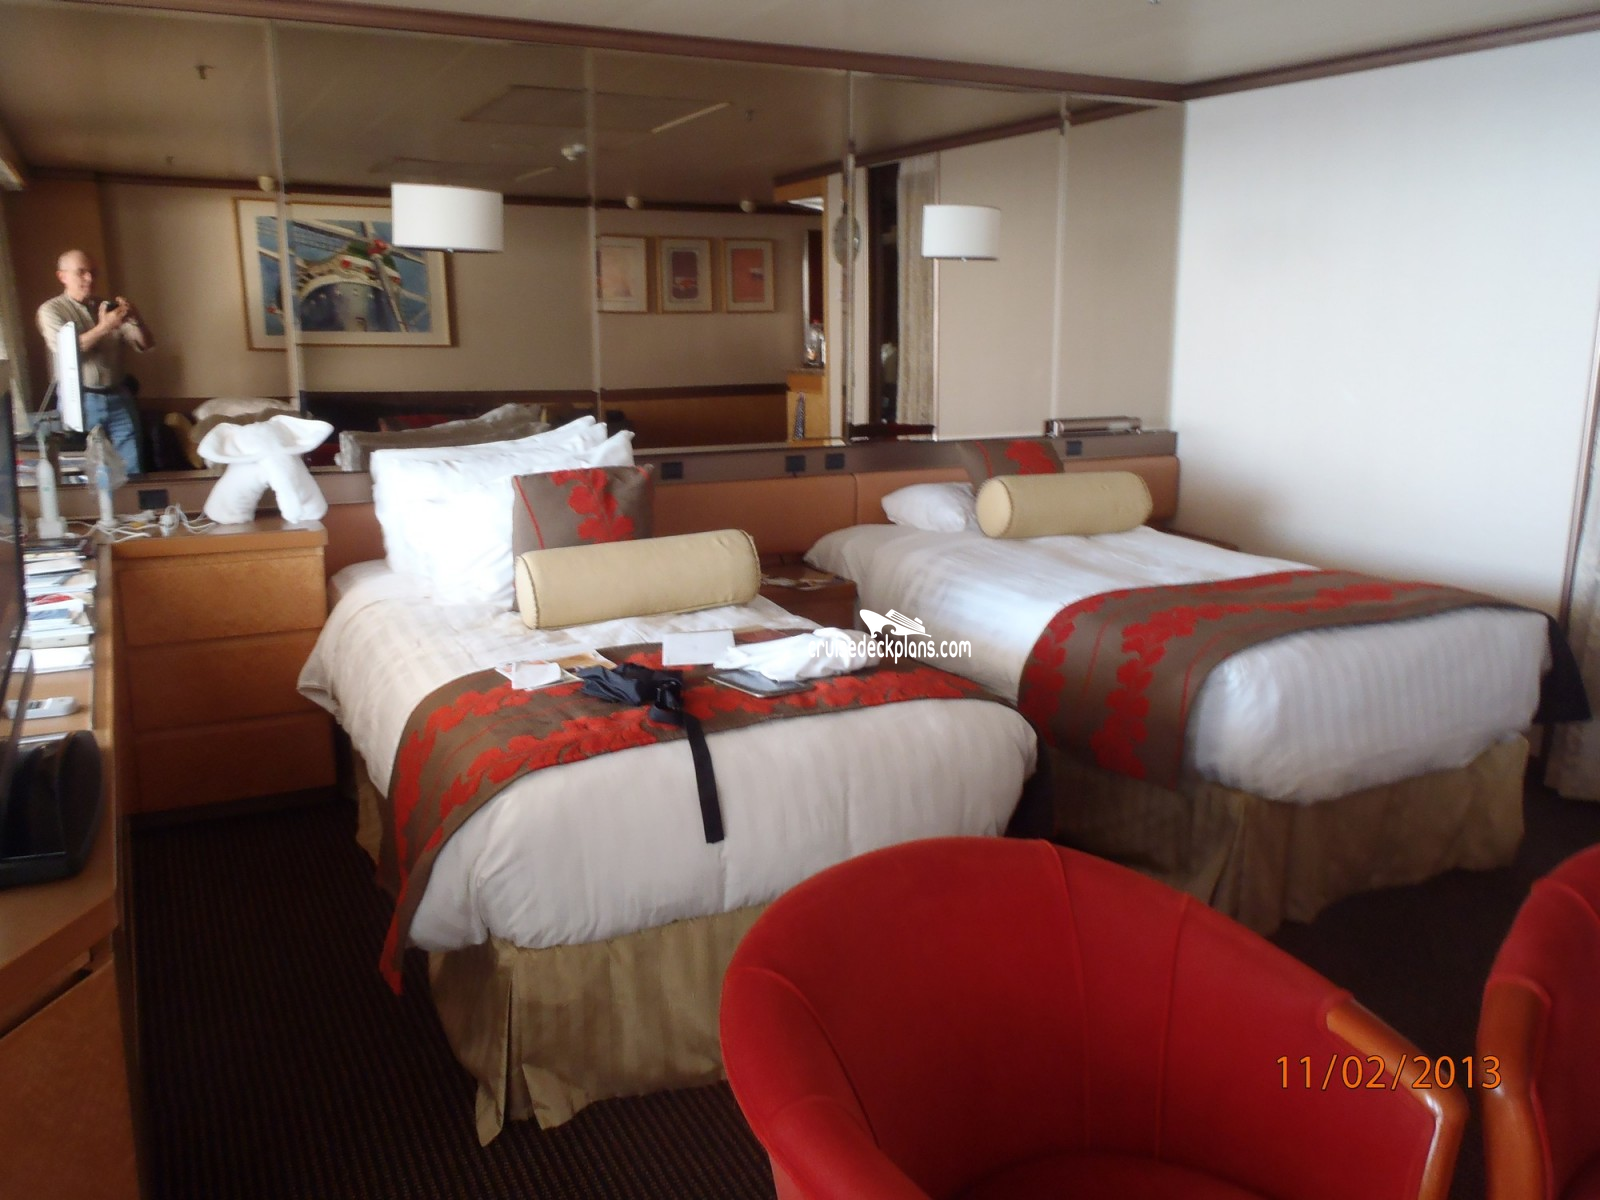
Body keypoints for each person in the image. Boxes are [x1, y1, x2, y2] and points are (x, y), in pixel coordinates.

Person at [36, 249, 155, 474]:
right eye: (81, 272)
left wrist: (136, 319)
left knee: (132, 470)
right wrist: (104, 327)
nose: (89, 278)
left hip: (119, 396)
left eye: (92, 272)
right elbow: (68, 350)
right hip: (82, 400)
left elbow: (146, 345)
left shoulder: (106, 307)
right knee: (87, 472)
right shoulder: (51, 310)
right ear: (62, 276)